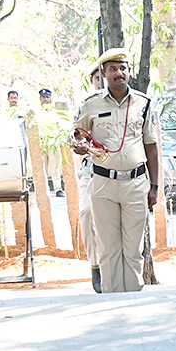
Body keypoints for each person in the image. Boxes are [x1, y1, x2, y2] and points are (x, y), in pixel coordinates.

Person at [72, 49, 159, 293]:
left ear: (129, 72)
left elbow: (151, 146)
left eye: (123, 68)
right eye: (112, 69)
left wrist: (154, 186)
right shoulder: (91, 105)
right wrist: (80, 147)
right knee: (109, 247)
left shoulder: (144, 103)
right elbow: (78, 137)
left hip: (136, 183)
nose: (118, 73)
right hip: (103, 183)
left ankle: (133, 299)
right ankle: (112, 302)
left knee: (133, 249)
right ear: (103, 73)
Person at [74, 62, 104, 293]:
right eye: (97, 77)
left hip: (118, 172)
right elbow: (75, 135)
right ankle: (96, 266)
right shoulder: (87, 106)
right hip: (91, 169)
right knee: (86, 212)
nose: (101, 81)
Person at [39, 88, 65, 196]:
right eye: (43, 97)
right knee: (42, 167)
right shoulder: (37, 112)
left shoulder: (56, 112)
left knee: (55, 167)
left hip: (53, 141)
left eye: (47, 97)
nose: (45, 99)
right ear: (40, 98)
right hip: (41, 142)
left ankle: (58, 188)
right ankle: (42, 190)